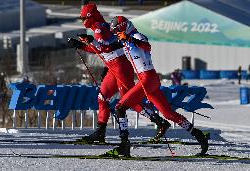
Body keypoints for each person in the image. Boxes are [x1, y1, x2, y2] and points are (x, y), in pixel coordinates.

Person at [68, 3, 170, 143]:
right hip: (114, 68)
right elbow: (105, 49)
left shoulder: (98, 29)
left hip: (120, 68)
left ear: (90, 17)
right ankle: (100, 131)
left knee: (129, 101)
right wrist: (83, 46)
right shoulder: (100, 27)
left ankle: (159, 123)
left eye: (83, 18)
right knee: (102, 98)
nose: (82, 21)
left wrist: (88, 44)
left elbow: (105, 48)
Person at [109, 16, 208, 156]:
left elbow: (146, 46)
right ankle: (199, 135)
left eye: (117, 30)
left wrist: (130, 39)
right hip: (149, 79)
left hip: (148, 79)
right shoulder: (123, 39)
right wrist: (87, 44)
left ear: (124, 26)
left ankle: (124, 145)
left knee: (120, 108)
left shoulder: (136, 36)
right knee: (168, 113)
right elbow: (108, 49)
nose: (116, 33)